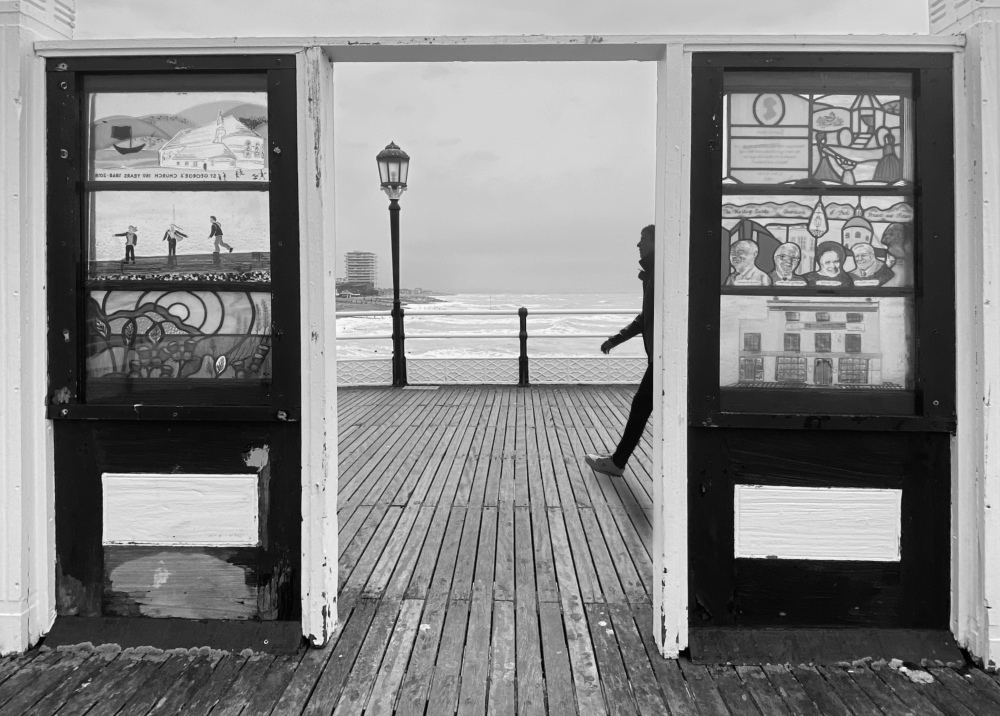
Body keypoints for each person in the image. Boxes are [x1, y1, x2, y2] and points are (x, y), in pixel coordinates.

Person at [584, 224, 655, 478]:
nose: (638, 244)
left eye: (643, 239)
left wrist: (616, 340)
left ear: (657, 242)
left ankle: (618, 462)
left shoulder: (659, 275)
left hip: (666, 358)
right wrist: (615, 340)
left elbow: (649, 317)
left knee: (641, 406)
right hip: (660, 357)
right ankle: (618, 461)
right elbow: (645, 318)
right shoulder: (652, 274)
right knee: (643, 406)